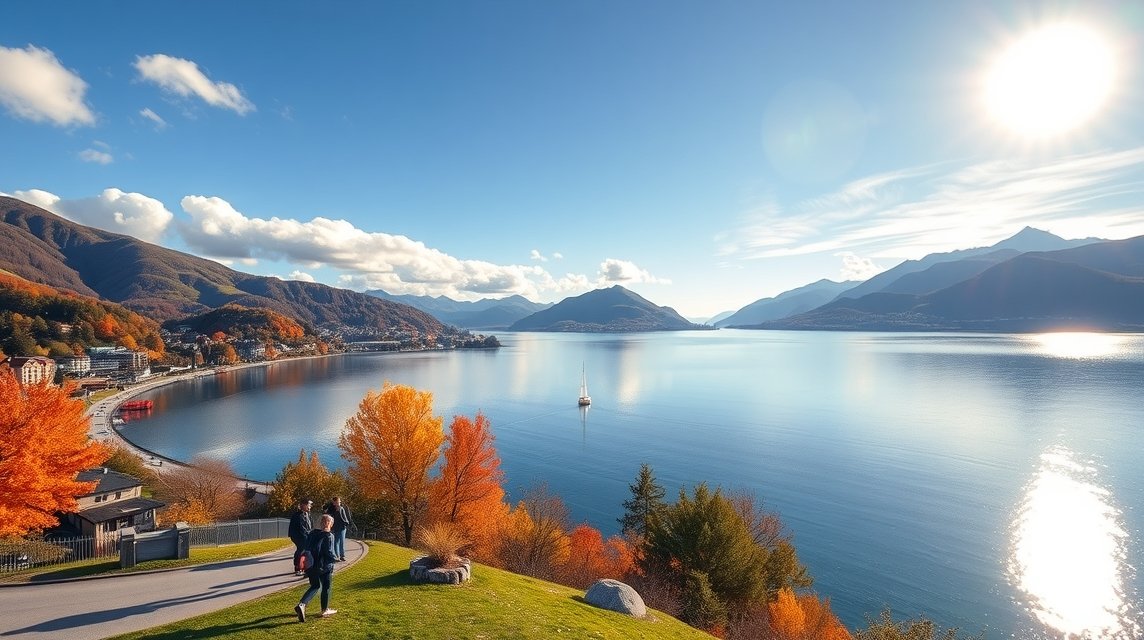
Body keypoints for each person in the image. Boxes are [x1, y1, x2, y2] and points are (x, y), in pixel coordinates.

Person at [294, 513, 338, 622]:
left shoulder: (312, 534)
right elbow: (328, 552)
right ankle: (324, 609)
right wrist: (335, 559)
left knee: (314, 586)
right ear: (330, 524)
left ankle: (302, 604)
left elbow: (306, 548)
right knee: (326, 587)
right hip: (324, 566)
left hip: (311, 565)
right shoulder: (329, 536)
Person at [324, 496, 355, 561]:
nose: (338, 503)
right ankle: (336, 556)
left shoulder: (342, 508)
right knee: (336, 542)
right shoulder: (331, 509)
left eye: (339, 502)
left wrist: (347, 523)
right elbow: (328, 517)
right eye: (337, 502)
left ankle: (342, 555)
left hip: (342, 527)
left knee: (342, 542)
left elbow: (345, 518)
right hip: (335, 528)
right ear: (334, 503)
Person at [287, 498, 312, 576]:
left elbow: (309, 525)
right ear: (303, 505)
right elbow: (301, 528)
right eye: (308, 505)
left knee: (303, 550)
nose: (310, 506)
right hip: (298, 536)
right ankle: (298, 567)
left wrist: (311, 533)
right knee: (301, 549)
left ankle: (302, 566)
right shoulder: (298, 515)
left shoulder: (307, 514)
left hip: (304, 535)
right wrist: (307, 535)